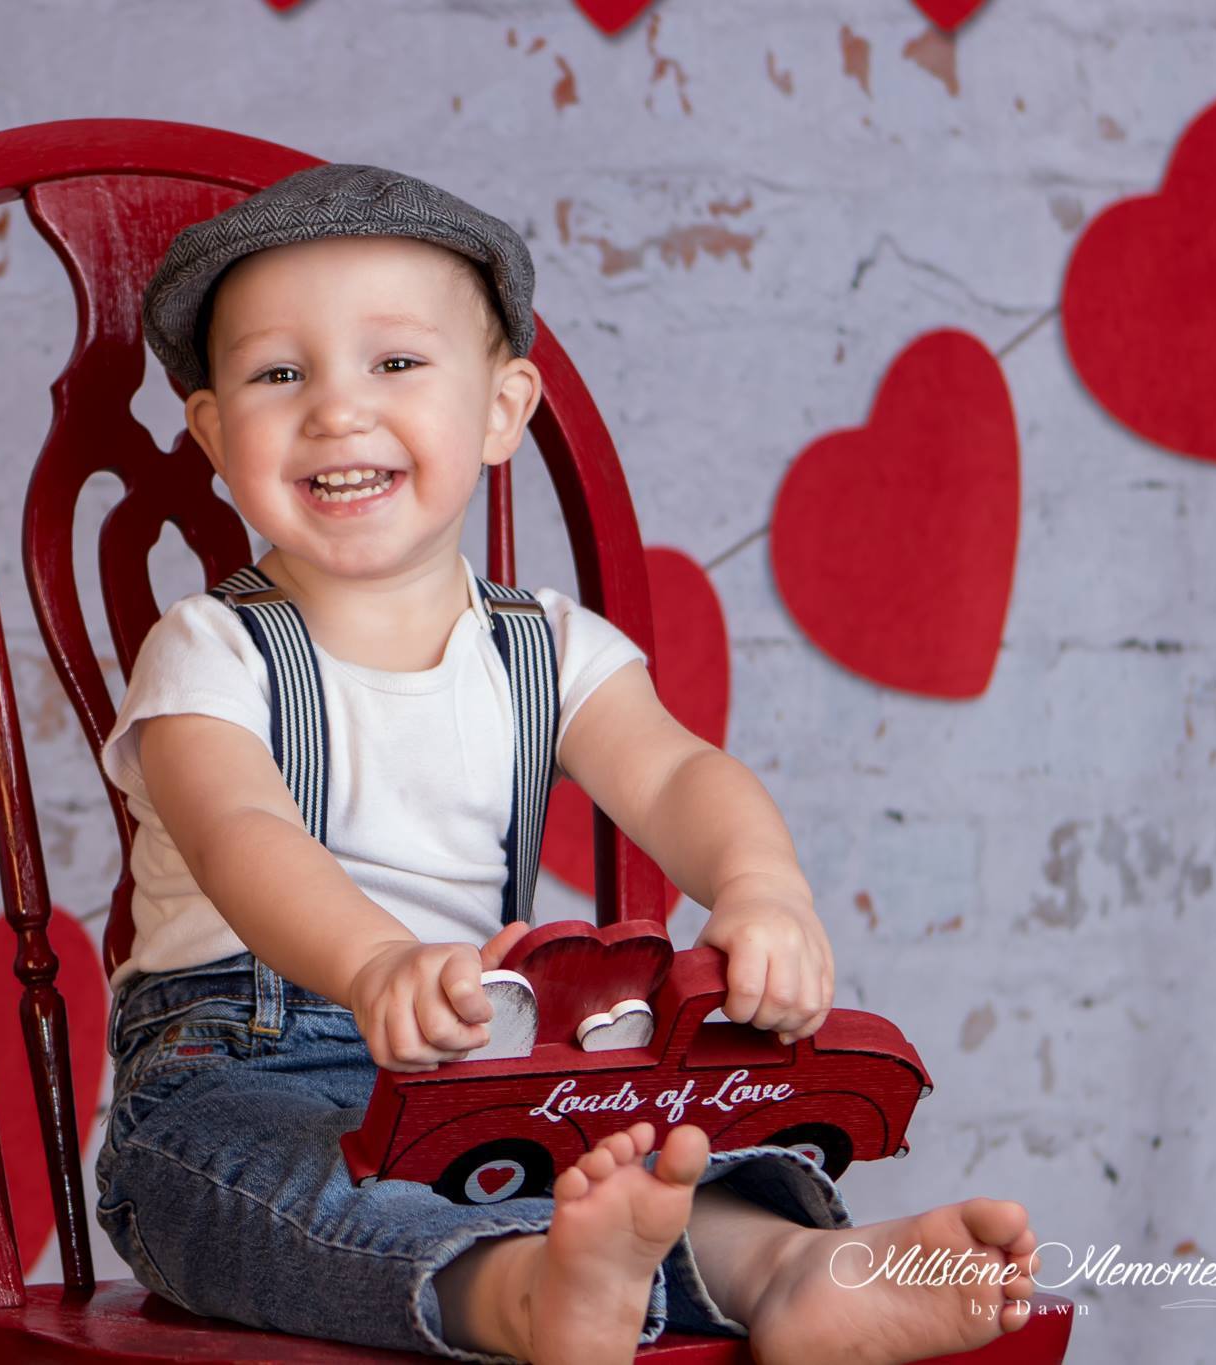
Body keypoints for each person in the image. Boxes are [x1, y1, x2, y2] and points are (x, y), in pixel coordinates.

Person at [93, 163, 1043, 1364]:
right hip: (244, 1071)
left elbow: (675, 774)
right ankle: (530, 1296)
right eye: (279, 375)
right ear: (218, 434)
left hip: (486, 1069)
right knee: (274, 1197)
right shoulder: (208, 650)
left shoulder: (547, 650)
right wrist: (372, 959)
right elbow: (242, 836)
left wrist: (759, 886)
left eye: (394, 364)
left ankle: (788, 1268)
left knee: (636, 1159)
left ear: (500, 410)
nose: (336, 409)